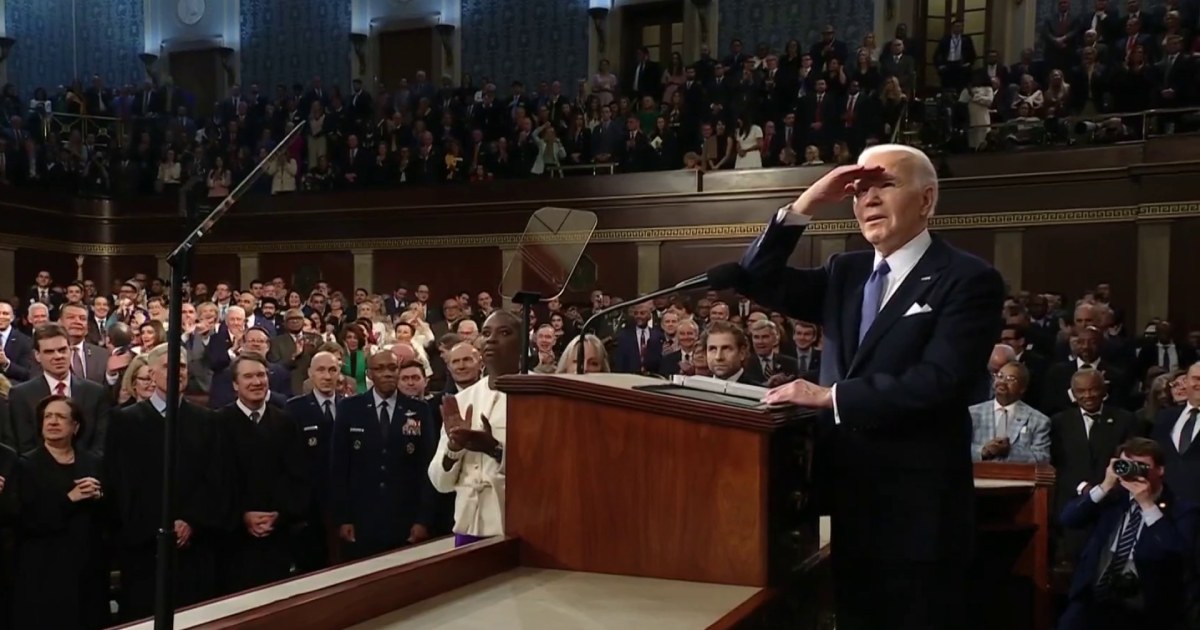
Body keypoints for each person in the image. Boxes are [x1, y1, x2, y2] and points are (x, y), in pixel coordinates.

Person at [738, 144, 1005, 629]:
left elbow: (941, 381)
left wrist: (830, 396)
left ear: (926, 201)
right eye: (859, 191)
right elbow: (754, 278)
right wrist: (806, 205)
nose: (868, 200)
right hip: (850, 500)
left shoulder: (968, 279)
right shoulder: (847, 271)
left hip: (920, 513)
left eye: (885, 186)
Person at [103, 343, 226, 621]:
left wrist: (189, 520)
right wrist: (160, 523)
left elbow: (215, 478)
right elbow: (120, 484)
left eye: (181, 366)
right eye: (168, 366)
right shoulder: (125, 421)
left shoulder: (207, 421)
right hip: (144, 548)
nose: (177, 372)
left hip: (194, 546)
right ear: (152, 373)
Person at [1058, 438, 1198, 630]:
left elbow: (1175, 554)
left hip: (1142, 608)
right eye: (1127, 465)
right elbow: (1069, 519)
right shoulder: (1113, 499)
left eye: (1142, 467)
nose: (1133, 472)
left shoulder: (1182, 510)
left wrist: (1147, 504)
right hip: (1092, 600)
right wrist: (1105, 486)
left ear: (1160, 470)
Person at [13, 396, 108, 629]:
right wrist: (69, 499)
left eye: (61, 417)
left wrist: (100, 497)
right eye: (48, 416)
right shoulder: (26, 465)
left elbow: (112, 515)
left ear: (75, 426)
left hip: (87, 570)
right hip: (44, 571)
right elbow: (24, 520)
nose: (53, 422)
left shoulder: (93, 462)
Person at [429, 310, 523, 547]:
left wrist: (495, 450)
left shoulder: (537, 397)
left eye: (504, 333)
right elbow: (440, 483)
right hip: (468, 522)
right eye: (486, 333)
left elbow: (545, 473)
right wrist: (453, 448)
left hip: (514, 524)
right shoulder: (462, 400)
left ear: (522, 344)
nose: (491, 339)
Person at [217, 353, 308, 591]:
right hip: (234, 539)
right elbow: (217, 480)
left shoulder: (285, 422)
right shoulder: (218, 423)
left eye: (261, 375)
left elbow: (297, 476)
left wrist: (278, 514)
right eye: (248, 376)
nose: (256, 382)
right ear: (235, 384)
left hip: (277, 533)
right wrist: (242, 516)